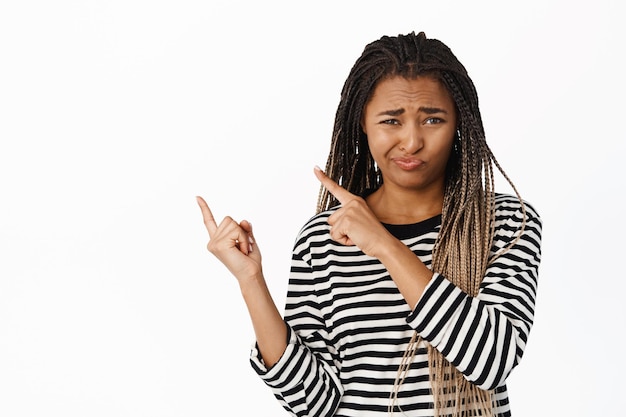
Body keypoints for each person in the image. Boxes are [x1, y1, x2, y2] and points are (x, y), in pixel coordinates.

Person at [197, 31, 542, 417]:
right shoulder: (323, 238)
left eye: (432, 119)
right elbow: (314, 403)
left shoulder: (506, 223)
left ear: (458, 122)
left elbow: (491, 362)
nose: (411, 141)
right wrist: (251, 281)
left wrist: (384, 244)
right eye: (391, 120)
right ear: (363, 122)